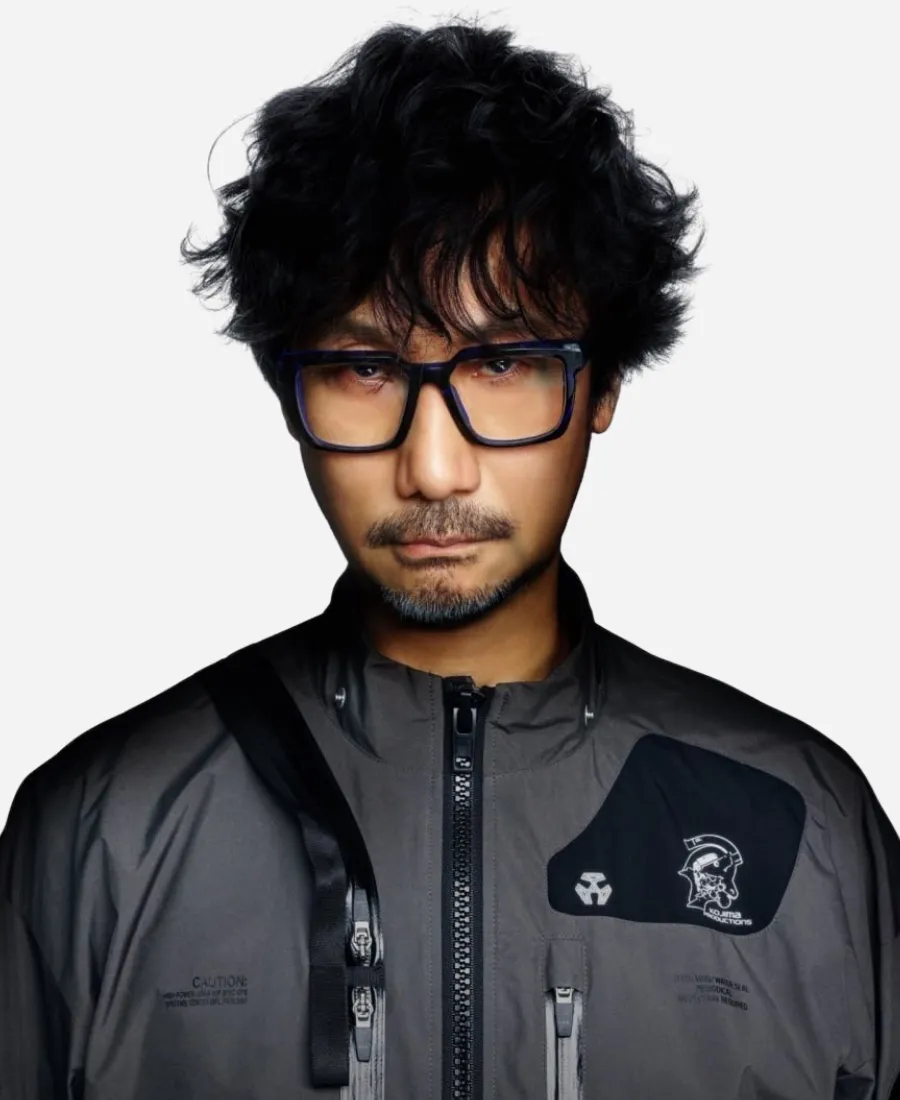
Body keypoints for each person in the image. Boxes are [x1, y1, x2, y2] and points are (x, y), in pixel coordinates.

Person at [1, 17, 898, 1100]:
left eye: (504, 363)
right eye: (366, 369)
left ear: (604, 383)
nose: (433, 467)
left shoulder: (805, 823)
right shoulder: (101, 829)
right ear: (288, 393)